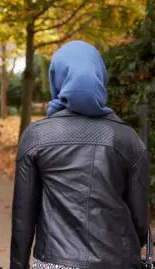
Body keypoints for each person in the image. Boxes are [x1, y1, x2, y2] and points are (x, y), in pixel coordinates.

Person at [10, 40, 148, 269]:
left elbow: (23, 219)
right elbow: (140, 220)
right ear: (99, 76)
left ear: (57, 78)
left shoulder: (37, 136)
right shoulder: (127, 138)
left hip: (55, 261)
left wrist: (18, 264)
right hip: (117, 261)